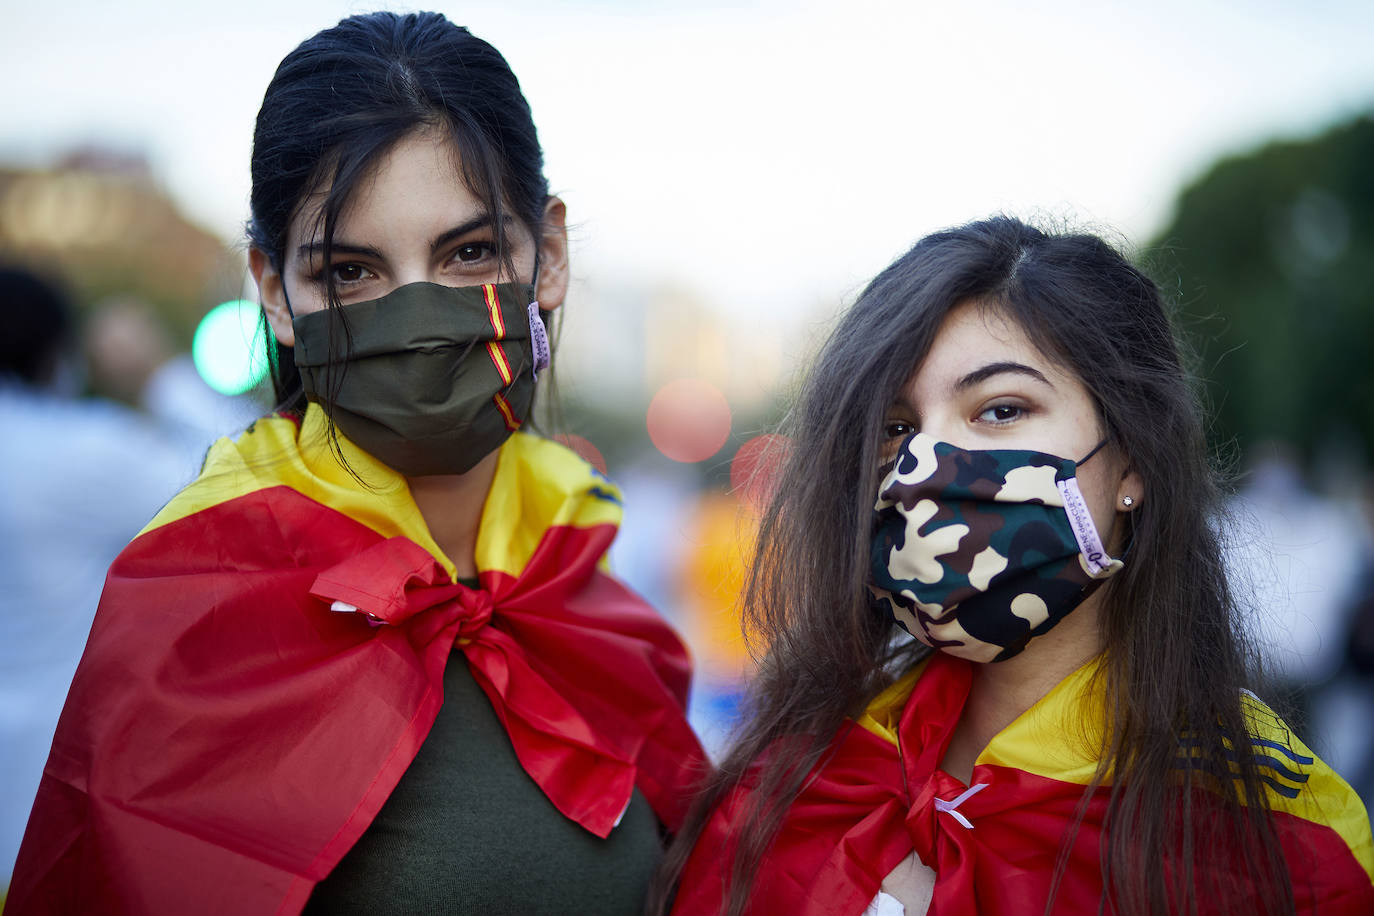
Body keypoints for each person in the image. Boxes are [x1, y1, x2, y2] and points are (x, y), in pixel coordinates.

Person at [8, 12, 706, 914]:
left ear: (552, 256)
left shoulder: (582, 574)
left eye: (468, 253)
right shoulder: (196, 613)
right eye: (351, 272)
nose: (415, 320)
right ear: (273, 289)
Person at [655, 217, 1374, 915]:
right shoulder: (793, 783)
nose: (919, 469)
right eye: (896, 428)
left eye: (1000, 410)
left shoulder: (1280, 841)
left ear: (1131, 459)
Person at [0, 267, 191, 890]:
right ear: (57, 351)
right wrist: (156, 372)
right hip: (45, 808)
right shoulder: (80, 452)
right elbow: (243, 479)